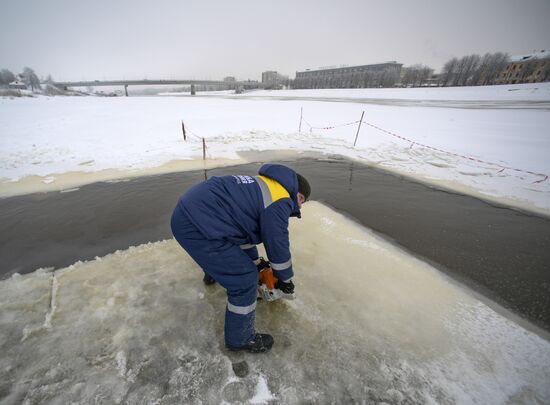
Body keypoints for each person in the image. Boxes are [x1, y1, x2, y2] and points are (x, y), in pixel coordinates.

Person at [170, 164, 311, 353]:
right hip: (197, 226)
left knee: (232, 253)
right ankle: (241, 339)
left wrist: (256, 263)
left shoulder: (265, 186)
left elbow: (241, 231)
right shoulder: (281, 199)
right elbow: (277, 243)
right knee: (244, 280)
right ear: (295, 192)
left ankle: (213, 273)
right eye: (301, 199)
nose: (300, 206)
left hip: (189, 213)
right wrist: (284, 279)